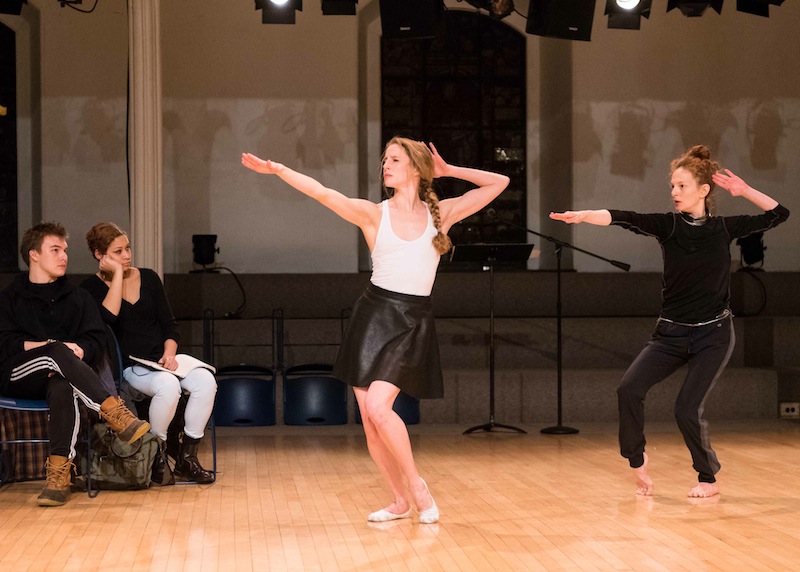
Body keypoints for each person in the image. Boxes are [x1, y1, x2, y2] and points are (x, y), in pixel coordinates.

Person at [242, 137, 509, 523]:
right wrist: (280, 170)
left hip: (411, 320)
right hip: (372, 317)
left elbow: (498, 182)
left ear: (416, 170)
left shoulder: (442, 214)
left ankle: (418, 487)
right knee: (369, 420)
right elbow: (322, 193)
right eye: (385, 160)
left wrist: (449, 171)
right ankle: (399, 500)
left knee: (381, 408)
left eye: (396, 160)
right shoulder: (373, 214)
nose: (386, 166)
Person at [550, 145, 789, 498]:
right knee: (628, 389)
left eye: (682, 186)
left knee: (686, 410)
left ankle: (708, 479)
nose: (674, 193)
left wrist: (745, 191)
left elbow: (779, 214)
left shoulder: (725, 229)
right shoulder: (669, 226)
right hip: (670, 334)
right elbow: (623, 216)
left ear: (703, 190)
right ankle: (637, 460)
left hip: (714, 335)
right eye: (672, 186)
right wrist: (586, 215)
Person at [0, 222, 151, 506]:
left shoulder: (78, 298)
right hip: (17, 375)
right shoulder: (9, 298)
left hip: (60, 378)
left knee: (62, 385)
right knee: (56, 349)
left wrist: (78, 352)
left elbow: (96, 340)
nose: (63, 256)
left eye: (65, 250)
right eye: (55, 250)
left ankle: (58, 478)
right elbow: (4, 344)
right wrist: (50, 349)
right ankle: (114, 412)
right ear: (34, 254)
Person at [81, 222, 217, 485]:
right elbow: (109, 316)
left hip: (163, 361)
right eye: (118, 251)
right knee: (168, 386)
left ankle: (188, 458)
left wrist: (170, 353)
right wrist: (118, 276)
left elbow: (170, 326)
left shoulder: (150, 277)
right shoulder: (89, 288)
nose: (127, 256)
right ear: (100, 255)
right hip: (131, 366)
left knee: (206, 382)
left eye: (128, 248)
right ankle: (156, 455)